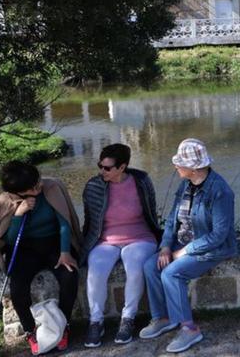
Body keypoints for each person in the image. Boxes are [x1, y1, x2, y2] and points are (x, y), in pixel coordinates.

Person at [139, 138, 237, 353]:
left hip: (212, 247)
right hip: (182, 242)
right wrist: (165, 246)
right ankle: (163, 318)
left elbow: (219, 235)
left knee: (171, 274)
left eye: (179, 163)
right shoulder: (185, 184)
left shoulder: (220, 191)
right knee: (150, 266)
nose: (175, 166)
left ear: (193, 168)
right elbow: (173, 219)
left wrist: (184, 252)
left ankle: (189, 328)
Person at [0, 161, 81, 355]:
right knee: (18, 288)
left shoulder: (52, 188)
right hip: (25, 249)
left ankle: (64, 325)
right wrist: (19, 214)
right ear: (19, 191)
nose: (39, 186)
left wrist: (65, 252)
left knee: (69, 276)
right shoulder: (5, 202)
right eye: (33, 187)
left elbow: (64, 223)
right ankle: (30, 330)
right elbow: (8, 239)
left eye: (38, 181)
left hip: (54, 244)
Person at [81, 143, 162, 348]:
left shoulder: (141, 181)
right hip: (106, 240)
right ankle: (96, 321)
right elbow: (90, 222)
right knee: (96, 271)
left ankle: (128, 319)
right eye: (100, 166)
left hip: (140, 237)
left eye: (107, 168)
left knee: (135, 268)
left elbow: (151, 213)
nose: (102, 171)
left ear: (122, 167)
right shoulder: (94, 186)